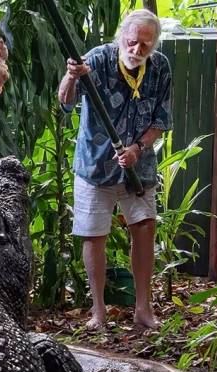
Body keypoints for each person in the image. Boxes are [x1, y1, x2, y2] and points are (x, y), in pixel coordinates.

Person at [58, 9, 172, 330]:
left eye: (145, 46)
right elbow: (65, 103)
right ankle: (98, 311)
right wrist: (71, 75)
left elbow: (161, 120)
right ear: (121, 36)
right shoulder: (96, 60)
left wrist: (138, 148)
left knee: (145, 227)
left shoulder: (160, 68)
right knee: (94, 235)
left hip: (139, 166)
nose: (137, 50)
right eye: (132, 42)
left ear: (154, 45)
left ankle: (143, 310)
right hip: (96, 165)